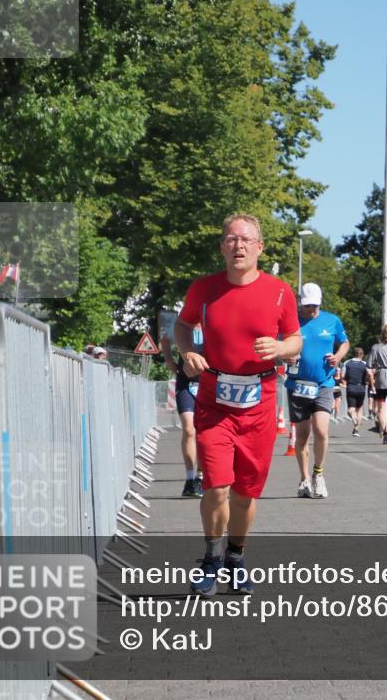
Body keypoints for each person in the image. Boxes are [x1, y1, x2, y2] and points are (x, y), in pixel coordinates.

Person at [175, 214, 301, 596]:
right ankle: (211, 559)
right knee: (216, 486)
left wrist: (280, 348)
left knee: (246, 492)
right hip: (214, 401)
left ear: (259, 247)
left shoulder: (279, 292)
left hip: (259, 403)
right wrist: (187, 352)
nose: (239, 246)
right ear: (222, 247)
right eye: (231, 239)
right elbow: (182, 325)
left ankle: (235, 556)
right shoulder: (204, 289)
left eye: (246, 240)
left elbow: (295, 339)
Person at [284, 282, 349, 499]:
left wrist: (338, 357)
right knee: (302, 436)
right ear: (299, 302)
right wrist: (285, 356)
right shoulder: (290, 321)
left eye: (314, 305)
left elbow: (345, 344)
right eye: (306, 305)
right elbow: (278, 347)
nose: (310, 310)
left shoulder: (332, 321)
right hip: (298, 385)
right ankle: (304, 479)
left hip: (324, 384)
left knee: (321, 430)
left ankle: (318, 473)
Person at [161, 321, 205, 498]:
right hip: (186, 382)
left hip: (208, 383)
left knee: (204, 432)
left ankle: (201, 476)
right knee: (189, 429)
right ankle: (190, 478)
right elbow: (165, 340)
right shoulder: (183, 322)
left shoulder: (214, 317)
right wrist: (169, 360)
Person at [341, 346, 370, 437]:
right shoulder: (365, 364)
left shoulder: (347, 363)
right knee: (360, 409)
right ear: (362, 355)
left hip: (350, 387)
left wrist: (346, 381)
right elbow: (369, 375)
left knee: (351, 409)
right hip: (361, 388)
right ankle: (356, 430)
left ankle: (352, 416)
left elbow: (342, 376)